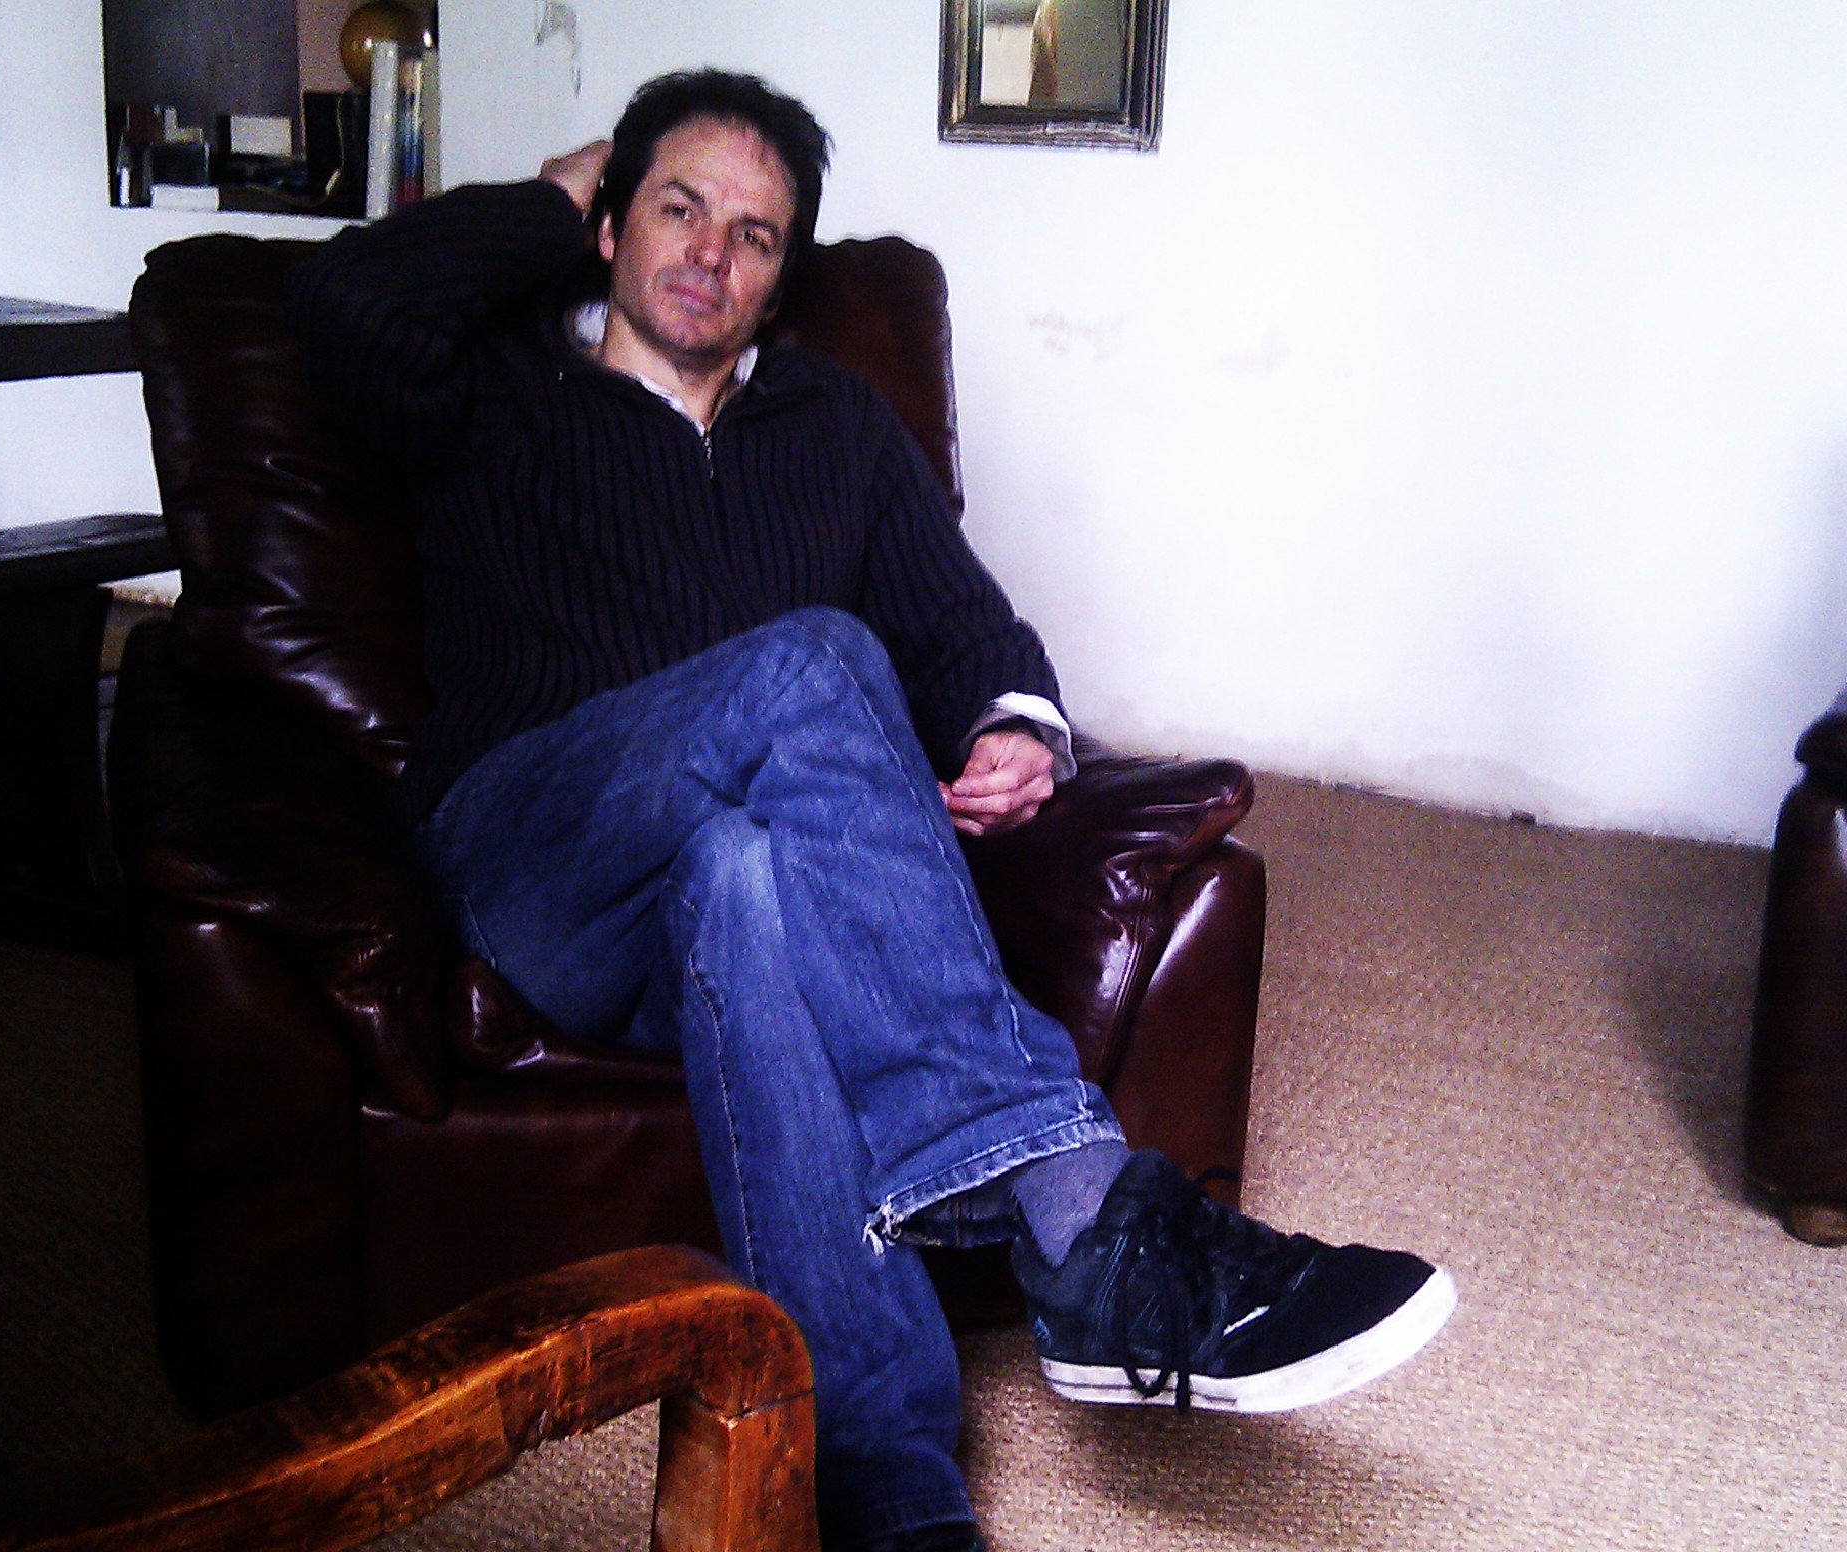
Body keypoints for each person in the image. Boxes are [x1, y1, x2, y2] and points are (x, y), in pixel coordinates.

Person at [288, 68, 1455, 1552]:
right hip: (532, 851)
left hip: (687, 914)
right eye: (677, 209)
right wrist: (548, 197)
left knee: (746, 875)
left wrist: (1014, 727)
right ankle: (1084, 1215)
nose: (711, 254)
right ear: (608, 226)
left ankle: (888, 1485)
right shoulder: (492, 388)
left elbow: (970, 630)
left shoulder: (835, 425)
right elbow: (342, 304)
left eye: (755, 236)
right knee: (815, 663)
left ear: (782, 282)